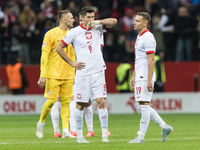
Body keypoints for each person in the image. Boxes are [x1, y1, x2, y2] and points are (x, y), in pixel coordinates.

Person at [56, 6, 117, 143]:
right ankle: (79, 136)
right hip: (83, 73)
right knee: (81, 104)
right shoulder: (74, 32)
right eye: (88, 17)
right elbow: (59, 48)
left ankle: (104, 136)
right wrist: (72, 62)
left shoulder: (98, 28)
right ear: (81, 18)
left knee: (101, 101)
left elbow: (114, 21)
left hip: (98, 72)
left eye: (93, 17)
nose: (91, 20)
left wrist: (97, 22)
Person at [128, 12, 173, 143]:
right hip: (139, 75)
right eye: (135, 20)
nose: (134, 22)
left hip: (145, 76)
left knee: (144, 105)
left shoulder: (148, 37)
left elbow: (151, 60)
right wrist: (134, 75)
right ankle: (165, 127)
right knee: (143, 106)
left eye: (137, 20)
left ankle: (141, 136)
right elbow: (139, 59)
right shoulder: (139, 37)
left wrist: (149, 80)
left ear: (145, 23)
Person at [36, 10, 76, 139]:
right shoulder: (50, 34)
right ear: (64, 20)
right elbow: (44, 56)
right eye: (71, 18)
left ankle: (65, 130)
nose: (73, 20)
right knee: (51, 101)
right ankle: (41, 123)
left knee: (66, 102)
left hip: (68, 73)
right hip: (53, 73)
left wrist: (74, 73)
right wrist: (43, 75)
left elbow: (74, 54)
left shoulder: (73, 34)